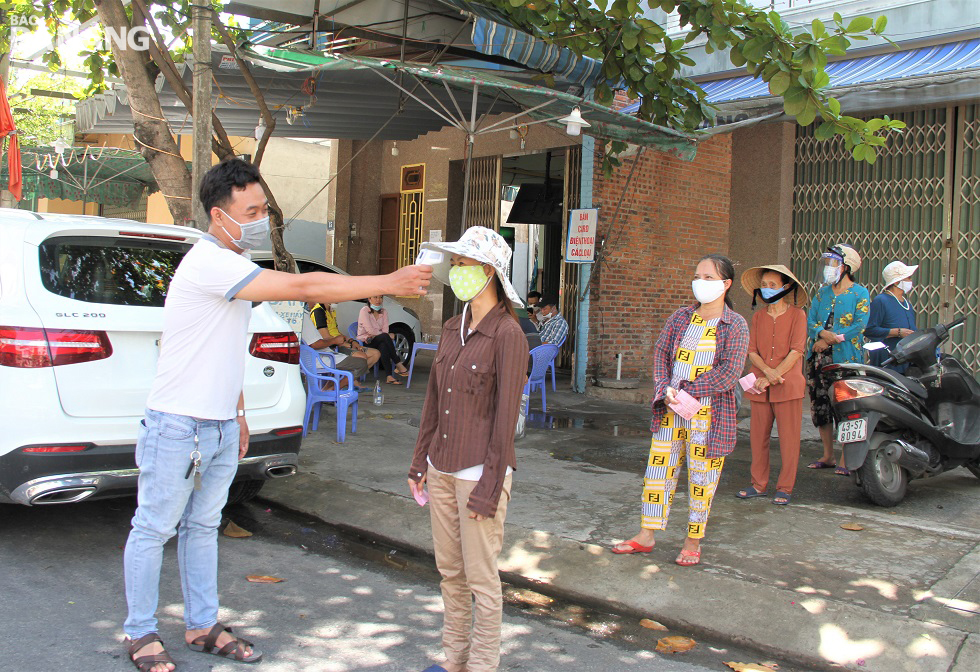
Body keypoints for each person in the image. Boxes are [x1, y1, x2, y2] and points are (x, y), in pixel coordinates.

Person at [124, 158, 431, 672]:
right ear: (220, 216)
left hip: (220, 425)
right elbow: (304, 288)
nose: (262, 218)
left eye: (263, 207)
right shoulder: (210, 263)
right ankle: (140, 632)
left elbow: (224, 348)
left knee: (202, 527)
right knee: (153, 528)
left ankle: (201, 624)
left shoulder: (230, 266)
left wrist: (238, 413)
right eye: (253, 210)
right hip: (177, 424)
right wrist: (390, 278)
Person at [407, 226, 529, 672]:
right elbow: (434, 402)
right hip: (440, 469)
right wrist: (419, 462)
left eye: (465, 264)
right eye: (454, 264)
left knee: (481, 580)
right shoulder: (450, 329)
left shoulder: (508, 335)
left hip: (479, 475)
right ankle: (452, 661)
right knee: (451, 576)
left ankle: (481, 666)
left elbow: (505, 421)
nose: (456, 272)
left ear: (490, 272)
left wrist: (489, 488)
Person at [611, 254, 749, 567]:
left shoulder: (735, 325)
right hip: (671, 411)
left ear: (726, 284)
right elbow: (661, 353)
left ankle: (693, 541)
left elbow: (729, 373)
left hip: (710, 418)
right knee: (657, 474)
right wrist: (665, 389)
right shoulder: (681, 317)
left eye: (709, 278)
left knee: (703, 481)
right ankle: (646, 535)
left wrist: (687, 389)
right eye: (698, 275)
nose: (700, 282)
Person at [735, 265, 809, 506]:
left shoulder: (798, 314)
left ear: (786, 288)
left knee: (789, 439)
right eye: (764, 285)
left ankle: (785, 487)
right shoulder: (758, 316)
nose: (767, 289)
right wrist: (767, 373)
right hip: (760, 384)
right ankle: (758, 484)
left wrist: (775, 373)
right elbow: (752, 350)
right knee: (758, 438)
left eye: (772, 285)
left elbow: (797, 350)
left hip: (788, 385)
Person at [806, 243, 870, 476]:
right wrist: (820, 334)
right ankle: (827, 454)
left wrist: (832, 340)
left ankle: (846, 457)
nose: (828, 268)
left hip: (845, 358)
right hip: (818, 358)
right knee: (820, 404)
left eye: (833, 263)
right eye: (827, 263)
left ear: (846, 267)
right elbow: (811, 319)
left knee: (845, 406)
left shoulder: (860, 293)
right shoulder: (822, 293)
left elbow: (860, 325)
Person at [301, 303, 371, 391]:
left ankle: (327, 390)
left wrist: (350, 341)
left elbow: (336, 333)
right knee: (361, 363)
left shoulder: (330, 311)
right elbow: (315, 344)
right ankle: (333, 391)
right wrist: (335, 341)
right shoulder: (314, 312)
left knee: (356, 360)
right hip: (319, 356)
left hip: (324, 351)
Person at [865, 261, 918, 373]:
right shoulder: (881, 301)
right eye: (908, 278)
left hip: (905, 358)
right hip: (888, 358)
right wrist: (896, 332)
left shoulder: (907, 303)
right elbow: (869, 330)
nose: (910, 281)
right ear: (897, 282)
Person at [357, 296, 409, 385]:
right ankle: (398, 363)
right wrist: (385, 335)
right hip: (367, 341)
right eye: (375, 297)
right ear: (369, 299)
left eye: (381, 297)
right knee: (385, 337)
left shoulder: (384, 312)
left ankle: (389, 376)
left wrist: (385, 335)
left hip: (379, 339)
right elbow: (370, 331)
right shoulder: (364, 311)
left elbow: (385, 330)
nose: (378, 300)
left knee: (384, 344)